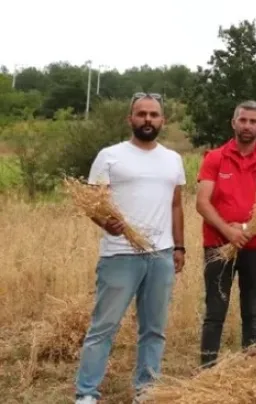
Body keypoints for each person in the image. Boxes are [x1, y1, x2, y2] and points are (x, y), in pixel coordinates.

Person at [74, 93, 186, 404]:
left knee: (154, 329)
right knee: (104, 327)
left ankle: (146, 391)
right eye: (141, 114)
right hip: (120, 254)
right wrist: (104, 222)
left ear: (162, 120)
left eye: (154, 114)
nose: (148, 119)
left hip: (161, 255)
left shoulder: (173, 159)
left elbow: (176, 206)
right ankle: (87, 393)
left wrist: (179, 247)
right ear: (130, 119)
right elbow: (92, 203)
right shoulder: (110, 156)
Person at [196, 100, 256, 368]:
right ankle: (207, 371)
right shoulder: (214, 158)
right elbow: (202, 202)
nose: (247, 126)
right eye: (243, 120)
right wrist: (227, 230)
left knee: (252, 311)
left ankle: (250, 372)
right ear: (233, 123)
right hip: (218, 246)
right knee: (215, 311)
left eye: (253, 121)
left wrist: (245, 230)